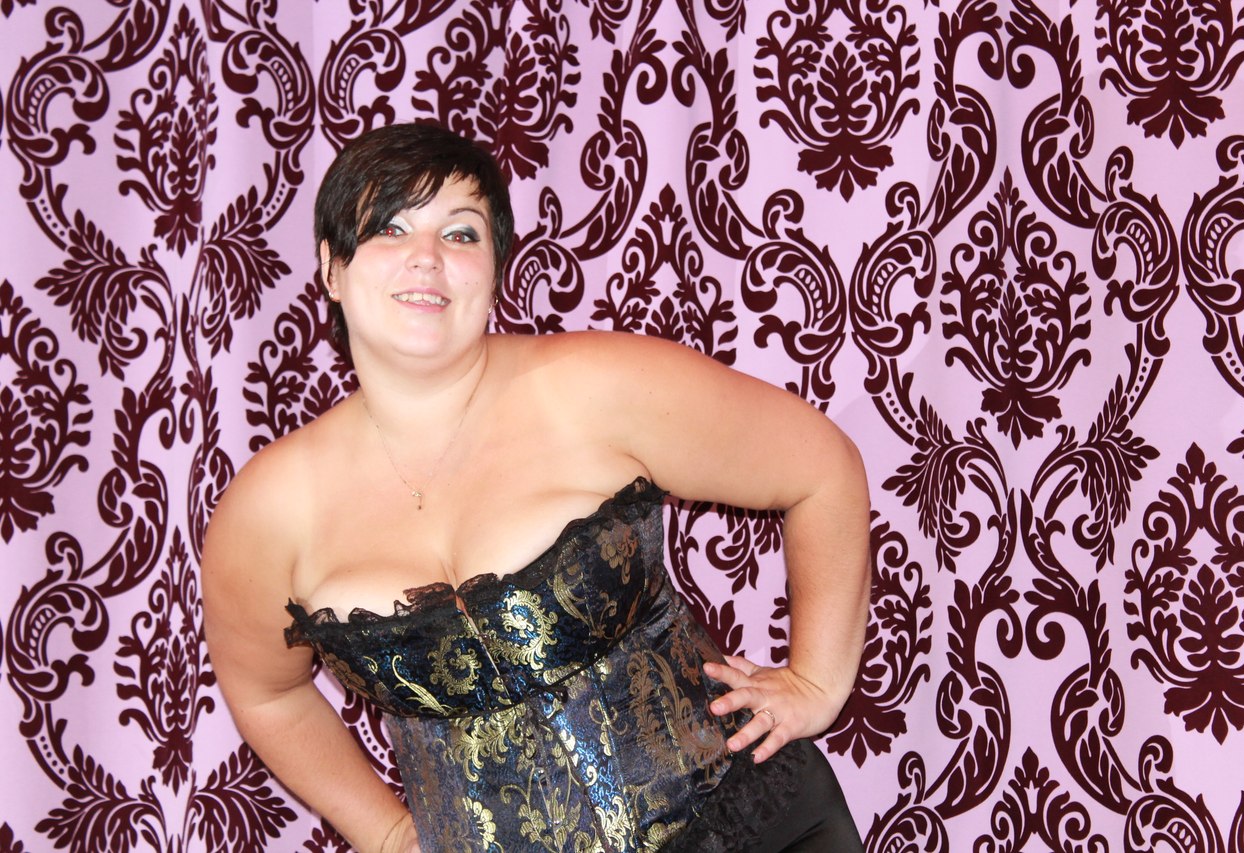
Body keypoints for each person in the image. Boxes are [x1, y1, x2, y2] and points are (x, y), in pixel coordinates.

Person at [201, 122, 870, 853]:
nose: (427, 256)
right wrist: (387, 832)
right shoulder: (270, 512)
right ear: (332, 268)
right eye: (390, 228)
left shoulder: (596, 386)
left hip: (753, 828)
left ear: (494, 271)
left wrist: (817, 682)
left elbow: (821, 467)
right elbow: (266, 691)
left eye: (461, 233)